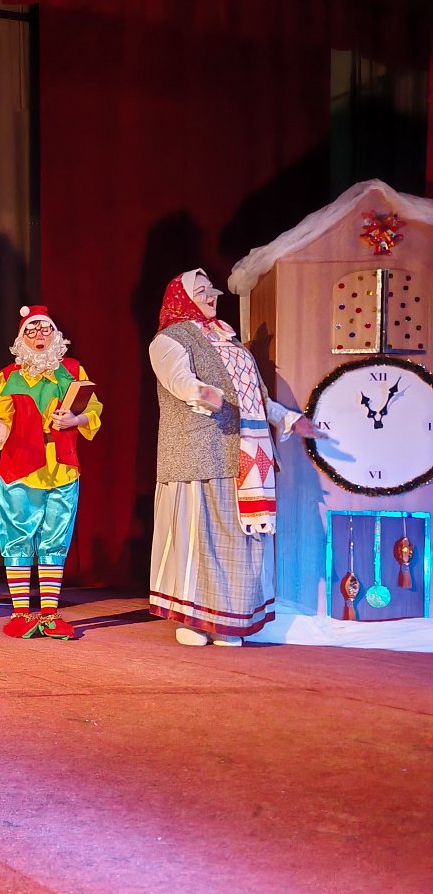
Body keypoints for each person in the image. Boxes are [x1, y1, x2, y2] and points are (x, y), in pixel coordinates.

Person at [148, 269, 321, 646]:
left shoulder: (232, 342)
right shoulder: (170, 339)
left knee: (241, 541)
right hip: (199, 453)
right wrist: (200, 393)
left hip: (246, 455)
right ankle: (195, 621)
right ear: (182, 297)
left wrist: (291, 420)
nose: (212, 296)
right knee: (201, 538)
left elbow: (257, 398)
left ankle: (228, 621)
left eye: (212, 290)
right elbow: (178, 379)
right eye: (201, 291)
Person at [0, 305, 101, 640]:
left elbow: (92, 408)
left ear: (55, 336)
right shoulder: (9, 376)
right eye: (32, 331)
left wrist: (76, 419)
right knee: (18, 538)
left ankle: (49, 613)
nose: (39, 336)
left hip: (62, 467)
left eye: (45, 330)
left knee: (55, 539)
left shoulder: (73, 371)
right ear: (21, 338)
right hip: (21, 466)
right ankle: (21, 613)